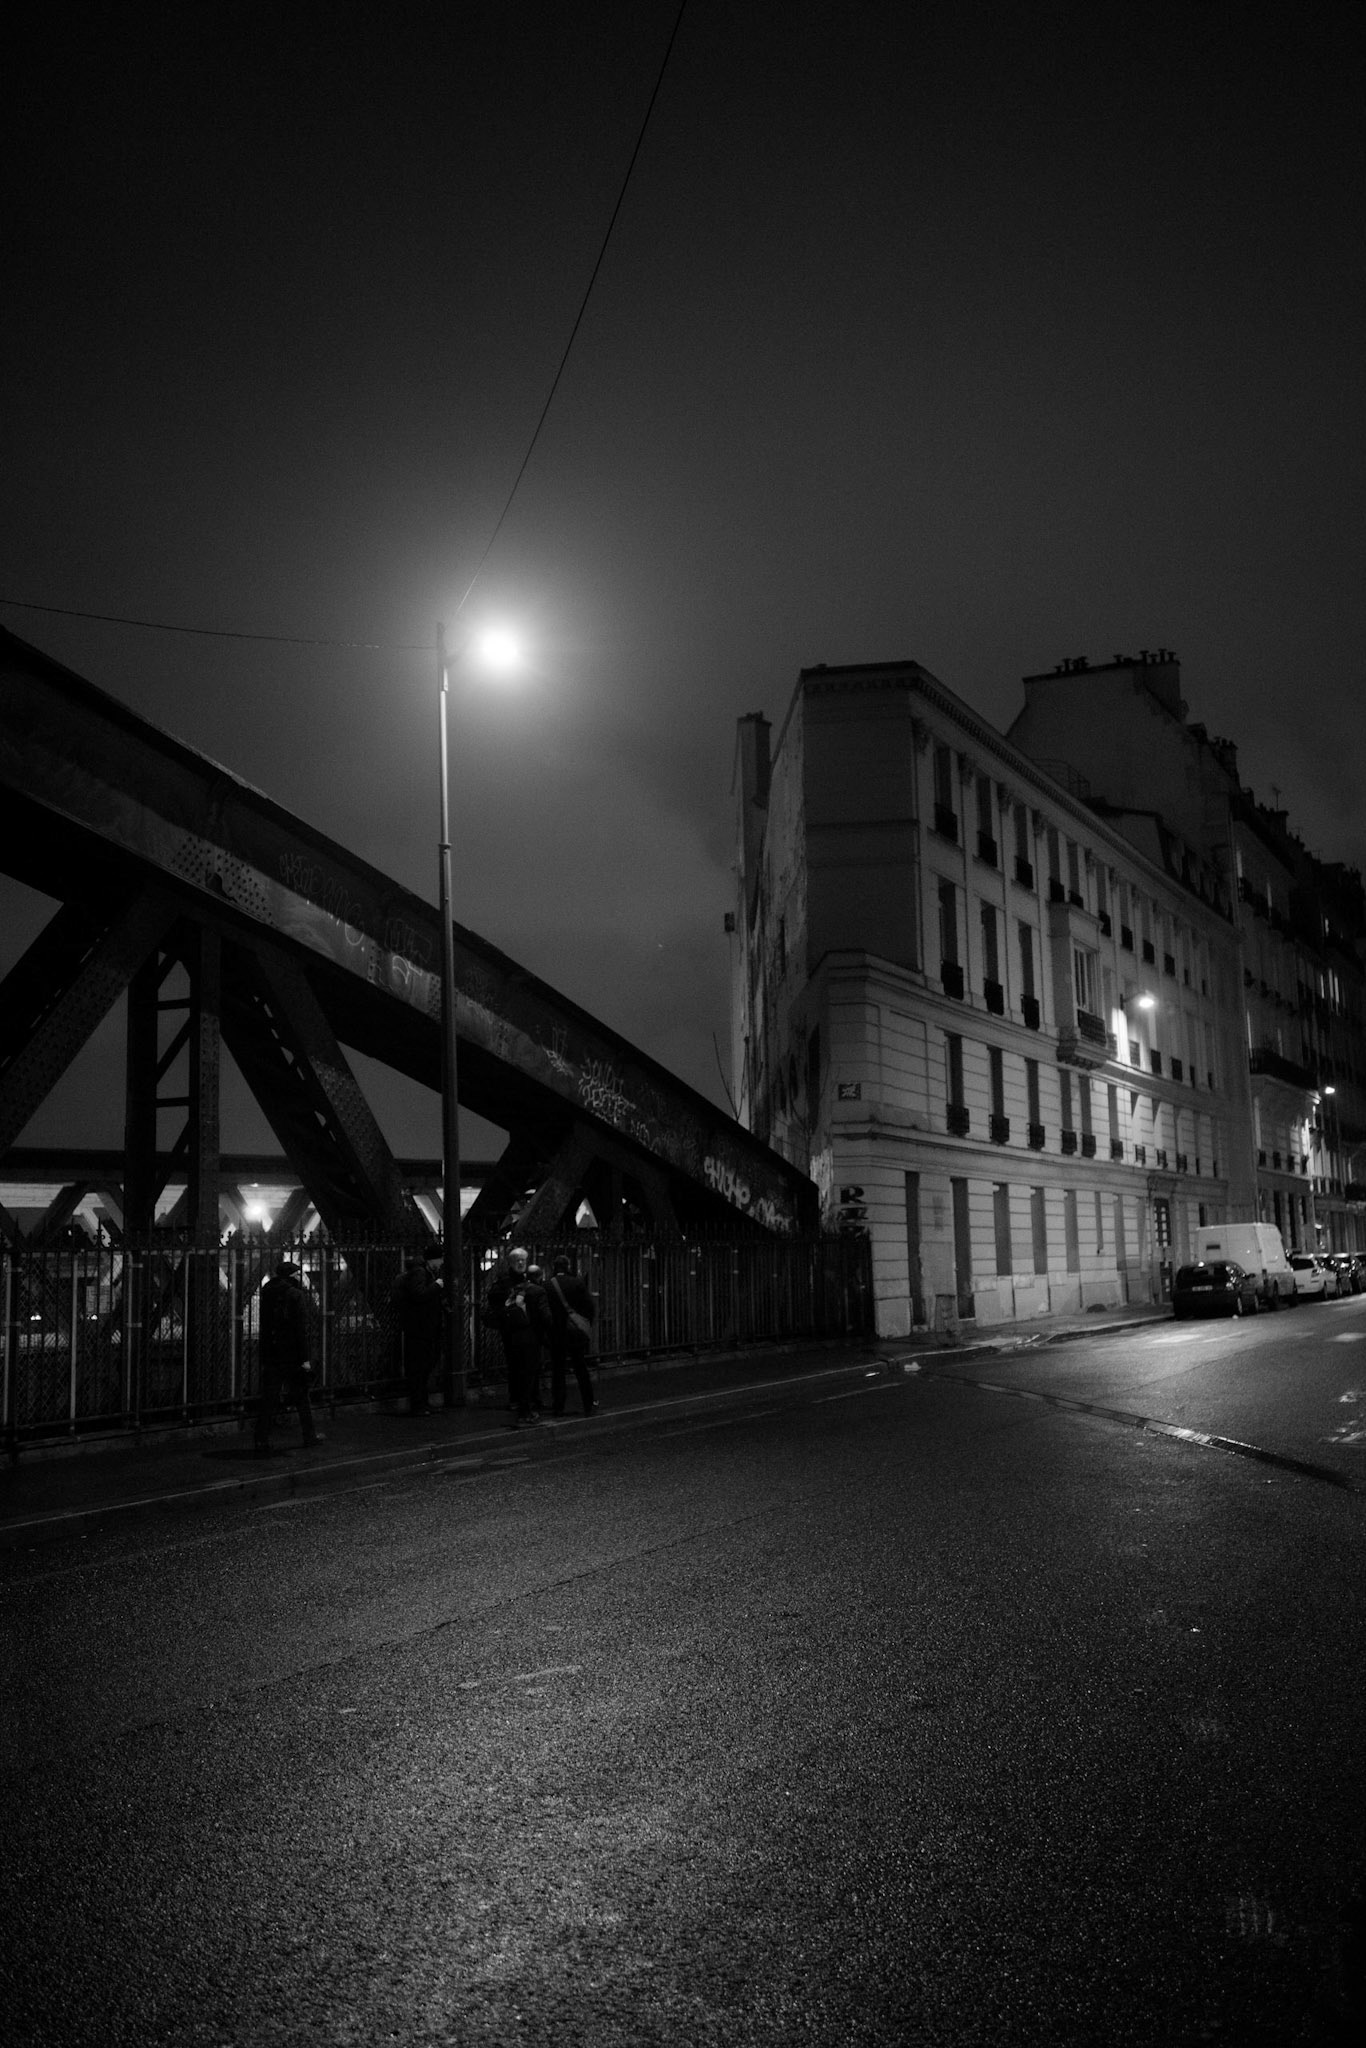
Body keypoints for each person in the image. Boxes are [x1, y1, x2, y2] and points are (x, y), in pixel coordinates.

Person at [254, 1259, 321, 1452]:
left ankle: (261, 1439)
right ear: (292, 1276)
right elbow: (299, 1330)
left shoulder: (267, 1292)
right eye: (298, 1275)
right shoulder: (295, 1295)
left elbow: (265, 1325)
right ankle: (309, 1436)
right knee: (302, 1398)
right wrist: (305, 1359)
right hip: (291, 1354)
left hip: (272, 1352)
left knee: (269, 1398)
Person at [483, 1245, 551, 1427]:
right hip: (515, 1331)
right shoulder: (506, 1283)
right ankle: (522, 1402)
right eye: (517, 1261)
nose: (520, 1263)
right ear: (511, 1263)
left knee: (528, 1368)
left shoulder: (525, 1281)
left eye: (523, 1260)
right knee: (518, 1367)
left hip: (522, 1331)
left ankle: (528, 1399)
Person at [545, 1254, 596, 1417]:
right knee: (581, 1368)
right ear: (568, 1266)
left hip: (557, 1332)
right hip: (574, 1332)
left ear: (554, 1267)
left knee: (558, 1370)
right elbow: (589, 1307)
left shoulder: (547, 1286)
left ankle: (558, 1405)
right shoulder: (577, 1283)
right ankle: (588, 1403)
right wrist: (585, 1324)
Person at [392, 1256, 442, 1415]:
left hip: (420, 1327)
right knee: (420, 1367)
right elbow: (419, 1295)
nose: (440, 1264)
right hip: (419, 1328)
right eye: (439, 1260)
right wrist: (436, 1286)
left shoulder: (421, 1272)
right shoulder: (420, 1273)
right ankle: (419, 1404)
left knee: (422, 1366)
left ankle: (422, 1403)